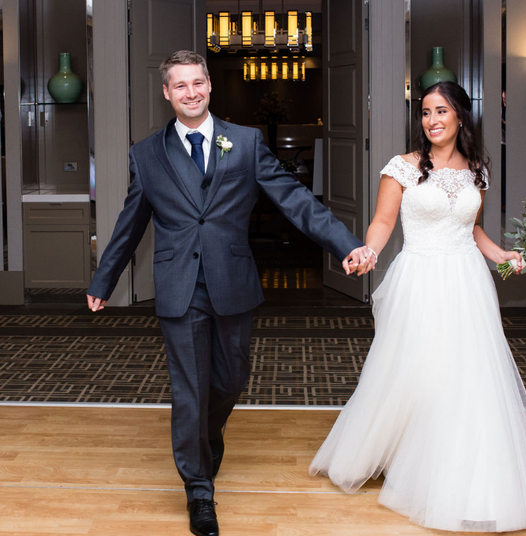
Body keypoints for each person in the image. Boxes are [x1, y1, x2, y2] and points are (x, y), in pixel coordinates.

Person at [86, 50, 367, 536]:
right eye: (180, 86)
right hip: (178, 287)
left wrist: (344, 244)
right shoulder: (147, 153)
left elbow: (295, 199)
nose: (190, 92)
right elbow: (130, 223)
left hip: (232, 282)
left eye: (198, 83)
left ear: (210, 86)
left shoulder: (245, 141)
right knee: (189, 389)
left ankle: (207, 434)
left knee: (232, 377)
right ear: (167, 93)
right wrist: (103, 280)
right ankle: (199, 492)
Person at [309, 81, 526, 532]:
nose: (432, 120)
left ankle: (461, 465)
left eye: (441, 111)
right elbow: (383, 221)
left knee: (469, 374)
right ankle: (406, 457)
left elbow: (473, 229)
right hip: (419, 277)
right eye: (425, 112)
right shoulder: (402, 167)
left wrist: (503, 257)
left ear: (460, 116)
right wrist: (369, 252)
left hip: (467, 281)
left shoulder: (477, 169)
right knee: (419, 369)